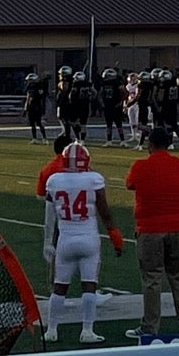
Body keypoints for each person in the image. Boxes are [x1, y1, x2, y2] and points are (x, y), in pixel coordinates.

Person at [41, 142, 122, 345]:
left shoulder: (54, 181)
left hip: (65, 240)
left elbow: (49, 218)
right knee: (89, 287)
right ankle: (87, 330)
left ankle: (51, 329)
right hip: (89, 239)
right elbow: (105, 213)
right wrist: (114, 236)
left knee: (60, 287)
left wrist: (47, 243)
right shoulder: (93, 179)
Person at [125, 127, 179, 339]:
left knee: (152, 278)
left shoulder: (141, 166)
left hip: (150, 228)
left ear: (150, 144)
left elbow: (130, 184)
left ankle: (150, 327)